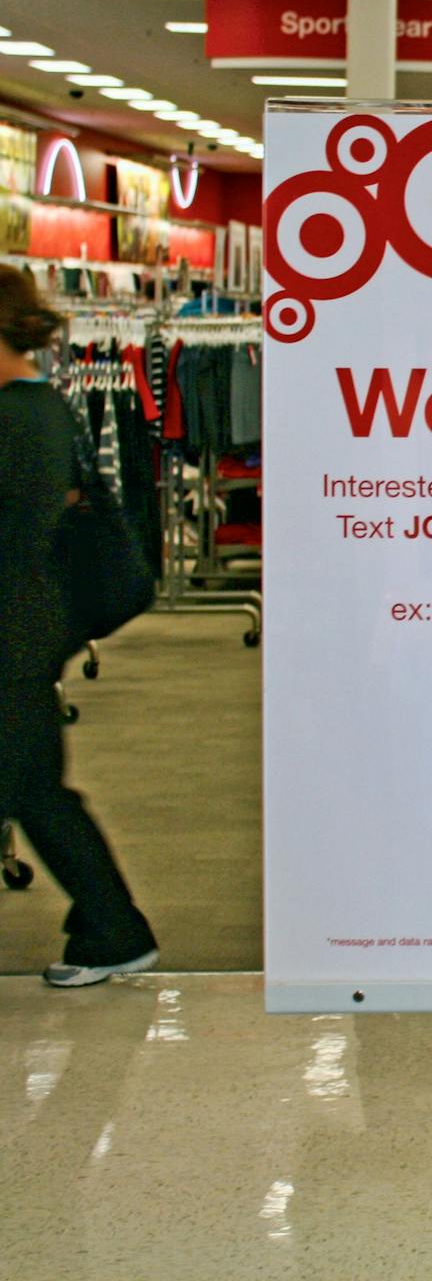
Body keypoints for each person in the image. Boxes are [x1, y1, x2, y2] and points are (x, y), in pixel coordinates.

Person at [0, 266, 159, 987]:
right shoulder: (37, 407)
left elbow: (21, 535)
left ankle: (112, 927)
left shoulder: (24, 415)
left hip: (15, 631)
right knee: (31, 783)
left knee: (33, 786)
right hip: (25, 627)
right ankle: (108, 925)